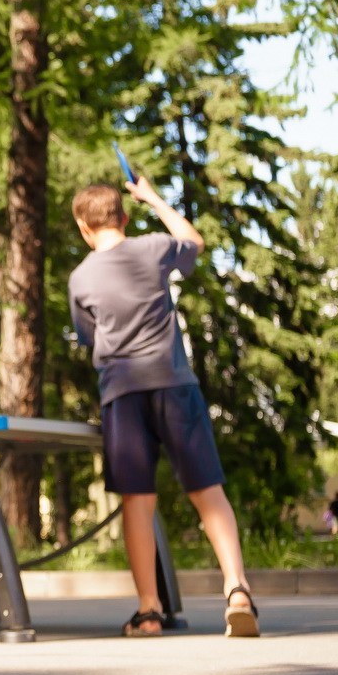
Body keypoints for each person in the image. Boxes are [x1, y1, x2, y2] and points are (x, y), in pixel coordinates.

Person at [69, 177, 260, 638]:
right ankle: (237, 590)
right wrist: (154, 198)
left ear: (83, 227)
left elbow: (88, 336)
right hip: (175, 385)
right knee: (207, 490)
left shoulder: (80, 278)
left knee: (138, 501)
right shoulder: (154, 247)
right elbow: (193, 242)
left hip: (122, 394)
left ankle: (149, 611)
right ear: (124, 218)